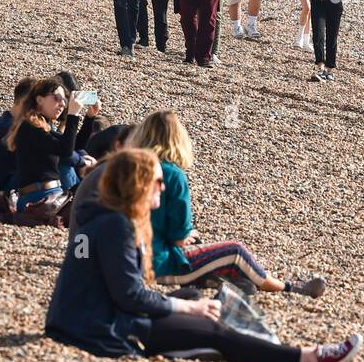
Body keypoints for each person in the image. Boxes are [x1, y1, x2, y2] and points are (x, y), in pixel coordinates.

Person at [45, 148, 364, 362]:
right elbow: (128, 296)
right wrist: (188, 309)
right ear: (138, 184)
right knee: (212, 327)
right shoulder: (117, 224)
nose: (163, 186)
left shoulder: (96, 215)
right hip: (97, 328)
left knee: (192, 295)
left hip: (73, 317)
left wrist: (186, 303)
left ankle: (205, 336)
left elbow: (90, 278)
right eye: (158, 180)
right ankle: (307, 357)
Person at [131, 112, 327, 296]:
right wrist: (187, 235)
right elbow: (178, 239)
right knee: (234, 251)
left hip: (129, 257)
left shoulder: (129, 167)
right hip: (157, 264)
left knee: (202, 248)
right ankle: (288, 287)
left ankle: (219, 281)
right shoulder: (172, 174)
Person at [0, 77, 87, 226]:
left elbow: (71, 145)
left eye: (64, 100)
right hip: (41, 198)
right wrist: (72, 116)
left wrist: (90, 118)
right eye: (57, 98)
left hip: (49, 195)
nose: (62, 104)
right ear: (39, 100)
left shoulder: (41, 125)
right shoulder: (30, 126)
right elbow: (65, 151)